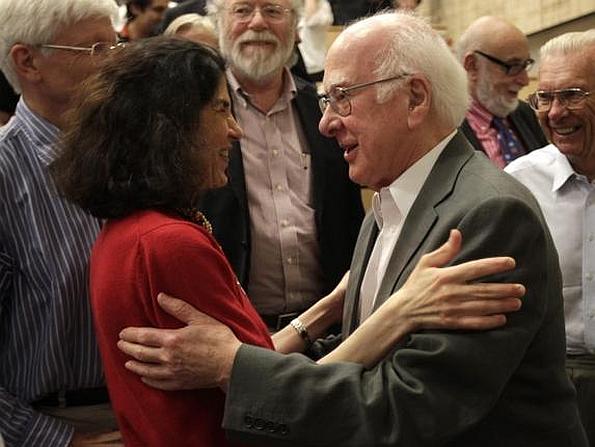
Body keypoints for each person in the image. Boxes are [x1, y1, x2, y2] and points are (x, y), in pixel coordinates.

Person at [118, 12, 588, 446]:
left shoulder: (488, 214)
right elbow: (357, 345)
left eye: (342, 96)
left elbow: (410, 405)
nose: (325, 123)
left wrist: (234, 366)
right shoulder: (391, 198)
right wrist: (248, 363)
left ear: (415, 98)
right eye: (325, 100)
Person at [0, 0, 123, 445]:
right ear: (27, 61)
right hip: (64, 422)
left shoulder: (132, 154)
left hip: (156, 410)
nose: (113, 65)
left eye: (115, 46)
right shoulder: (6, 173)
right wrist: (56, 440)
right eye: (94, 49)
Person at [202, 0, 365, 330]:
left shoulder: (327, 110)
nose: (258, 23)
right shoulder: (197, 114)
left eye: (273, 11)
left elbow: (350, 219)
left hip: (330, 329)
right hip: (233, 331)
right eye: (243, 10)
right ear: (219, 24)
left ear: (295, 27)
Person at [505, 29, 595, 445]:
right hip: (546, 385)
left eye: (573, 95)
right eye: (544, 97)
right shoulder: (518, 186)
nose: (555, 113)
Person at [457, 16, 547, 168]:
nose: (525, 81)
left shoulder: (524, 113)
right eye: (512, 66)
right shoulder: (444, 129)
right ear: (472, 65)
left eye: (525, 65)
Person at [298, 0, 333, 82]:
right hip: (296, 64)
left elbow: (311, 22)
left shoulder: (323, 6)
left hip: (314, 65)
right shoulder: (295, 6)